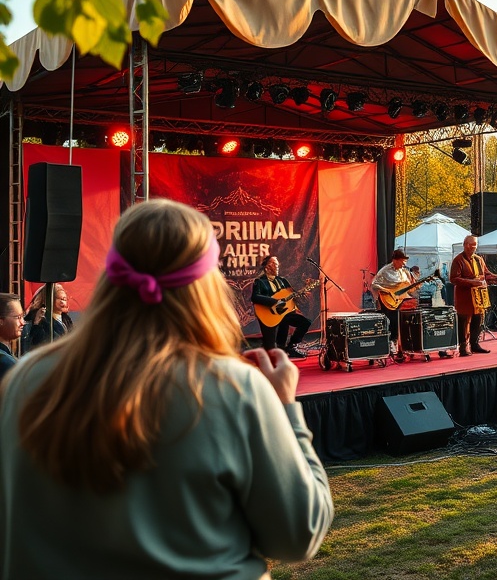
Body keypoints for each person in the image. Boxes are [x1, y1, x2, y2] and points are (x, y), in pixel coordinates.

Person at [0, 199, 333, 578]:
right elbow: (298, 536)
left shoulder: (26, 380)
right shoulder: (233, 388)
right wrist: (286, 407)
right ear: (205, 287)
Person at [250, 255, 312, 359]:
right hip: (268, 315)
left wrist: (301, 295)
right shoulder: (260, 282)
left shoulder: (283, 281)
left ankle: (291, 346)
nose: (277, 266)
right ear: (267, 267)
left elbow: (291, 296)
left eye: (277, 264)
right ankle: (276, 348)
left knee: (305, 322)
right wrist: (274, 301)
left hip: (283, 314)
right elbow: (255, 297)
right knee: (271, 350)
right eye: (274, 263)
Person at [449, 235, 497, 356]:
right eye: (470, 245)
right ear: (464, 245)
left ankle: (475, 344)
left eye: (474, 245)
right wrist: (473, 282)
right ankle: (463, 347)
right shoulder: (458, 260)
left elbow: (486, 274)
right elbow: (453, 279)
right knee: (464, 322)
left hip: (479, 297)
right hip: (464, 298)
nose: (472, 247)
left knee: (478, 320)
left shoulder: (479, 259)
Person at [371, 249, 415, 360]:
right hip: (388, 299)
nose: (404, 264)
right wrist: (387, 291)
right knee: (392, 320)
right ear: (395, 260)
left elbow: (405, 287)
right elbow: (374, 285)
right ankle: (391, 342)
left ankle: (402, 343)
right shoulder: (384, 271)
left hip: (400, 300)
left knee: (404, 320)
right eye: (402, 261)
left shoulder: (404, 272)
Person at [24, 283, 73, 351]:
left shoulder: (67, 320)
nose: (62, 302)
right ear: (48, 299)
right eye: (59, 299)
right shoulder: (41, 317)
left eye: (64, 299)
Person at [0, 294, 24, 382]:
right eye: (18, 317)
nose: (23, 323)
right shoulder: (6, 362)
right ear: (1, 321)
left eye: (22, 317)